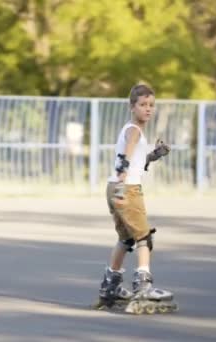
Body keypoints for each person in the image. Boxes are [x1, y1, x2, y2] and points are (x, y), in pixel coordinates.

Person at [93, 83, 176, 314]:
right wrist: (121, 176)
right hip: (126, 187)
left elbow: (137, 159)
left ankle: (111, 286)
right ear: (132, 107)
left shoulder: (132, 130)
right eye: (143, 105)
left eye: (151, 105)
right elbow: (127, 152)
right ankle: (143, 286)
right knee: (143, 238)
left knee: (125, 238)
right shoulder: (134, 130)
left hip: (114, 187)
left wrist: (154, 155)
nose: (148, 109)